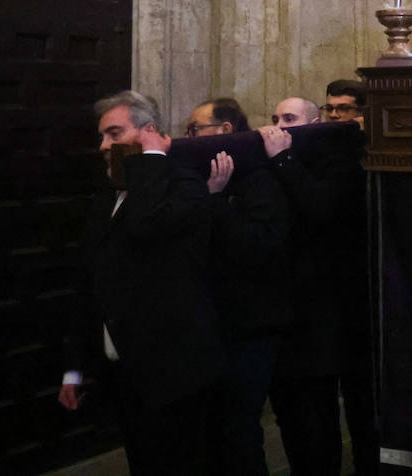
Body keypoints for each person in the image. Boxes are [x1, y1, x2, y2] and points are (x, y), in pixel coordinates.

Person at [60, 91, 223, 476]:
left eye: (114, 133)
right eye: (101, 136)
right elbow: (89, 285)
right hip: (124, 374)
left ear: (148, 132)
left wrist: (151, 159)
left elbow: (147, 227)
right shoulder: (106, 199)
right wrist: (74, 368)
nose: (103, 146)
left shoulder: (186, 186)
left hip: (174, 373)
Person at [268, 87, 377, 476]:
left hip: (340, 303)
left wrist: (282, 160)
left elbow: (320, 207)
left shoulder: (342, 162)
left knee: (360, 409)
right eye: (276, 119)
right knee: (310, 419)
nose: (279, 128)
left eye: (290, 120)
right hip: (300, 306)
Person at [186, 101, 292, 476]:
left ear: (225, 130)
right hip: (215, 322)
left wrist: (216, 201)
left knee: (239, 427)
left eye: (196, 128)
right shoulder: (201, 174)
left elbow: (255, 246)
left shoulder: (258, 179)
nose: (191, 136)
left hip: (251, 324)